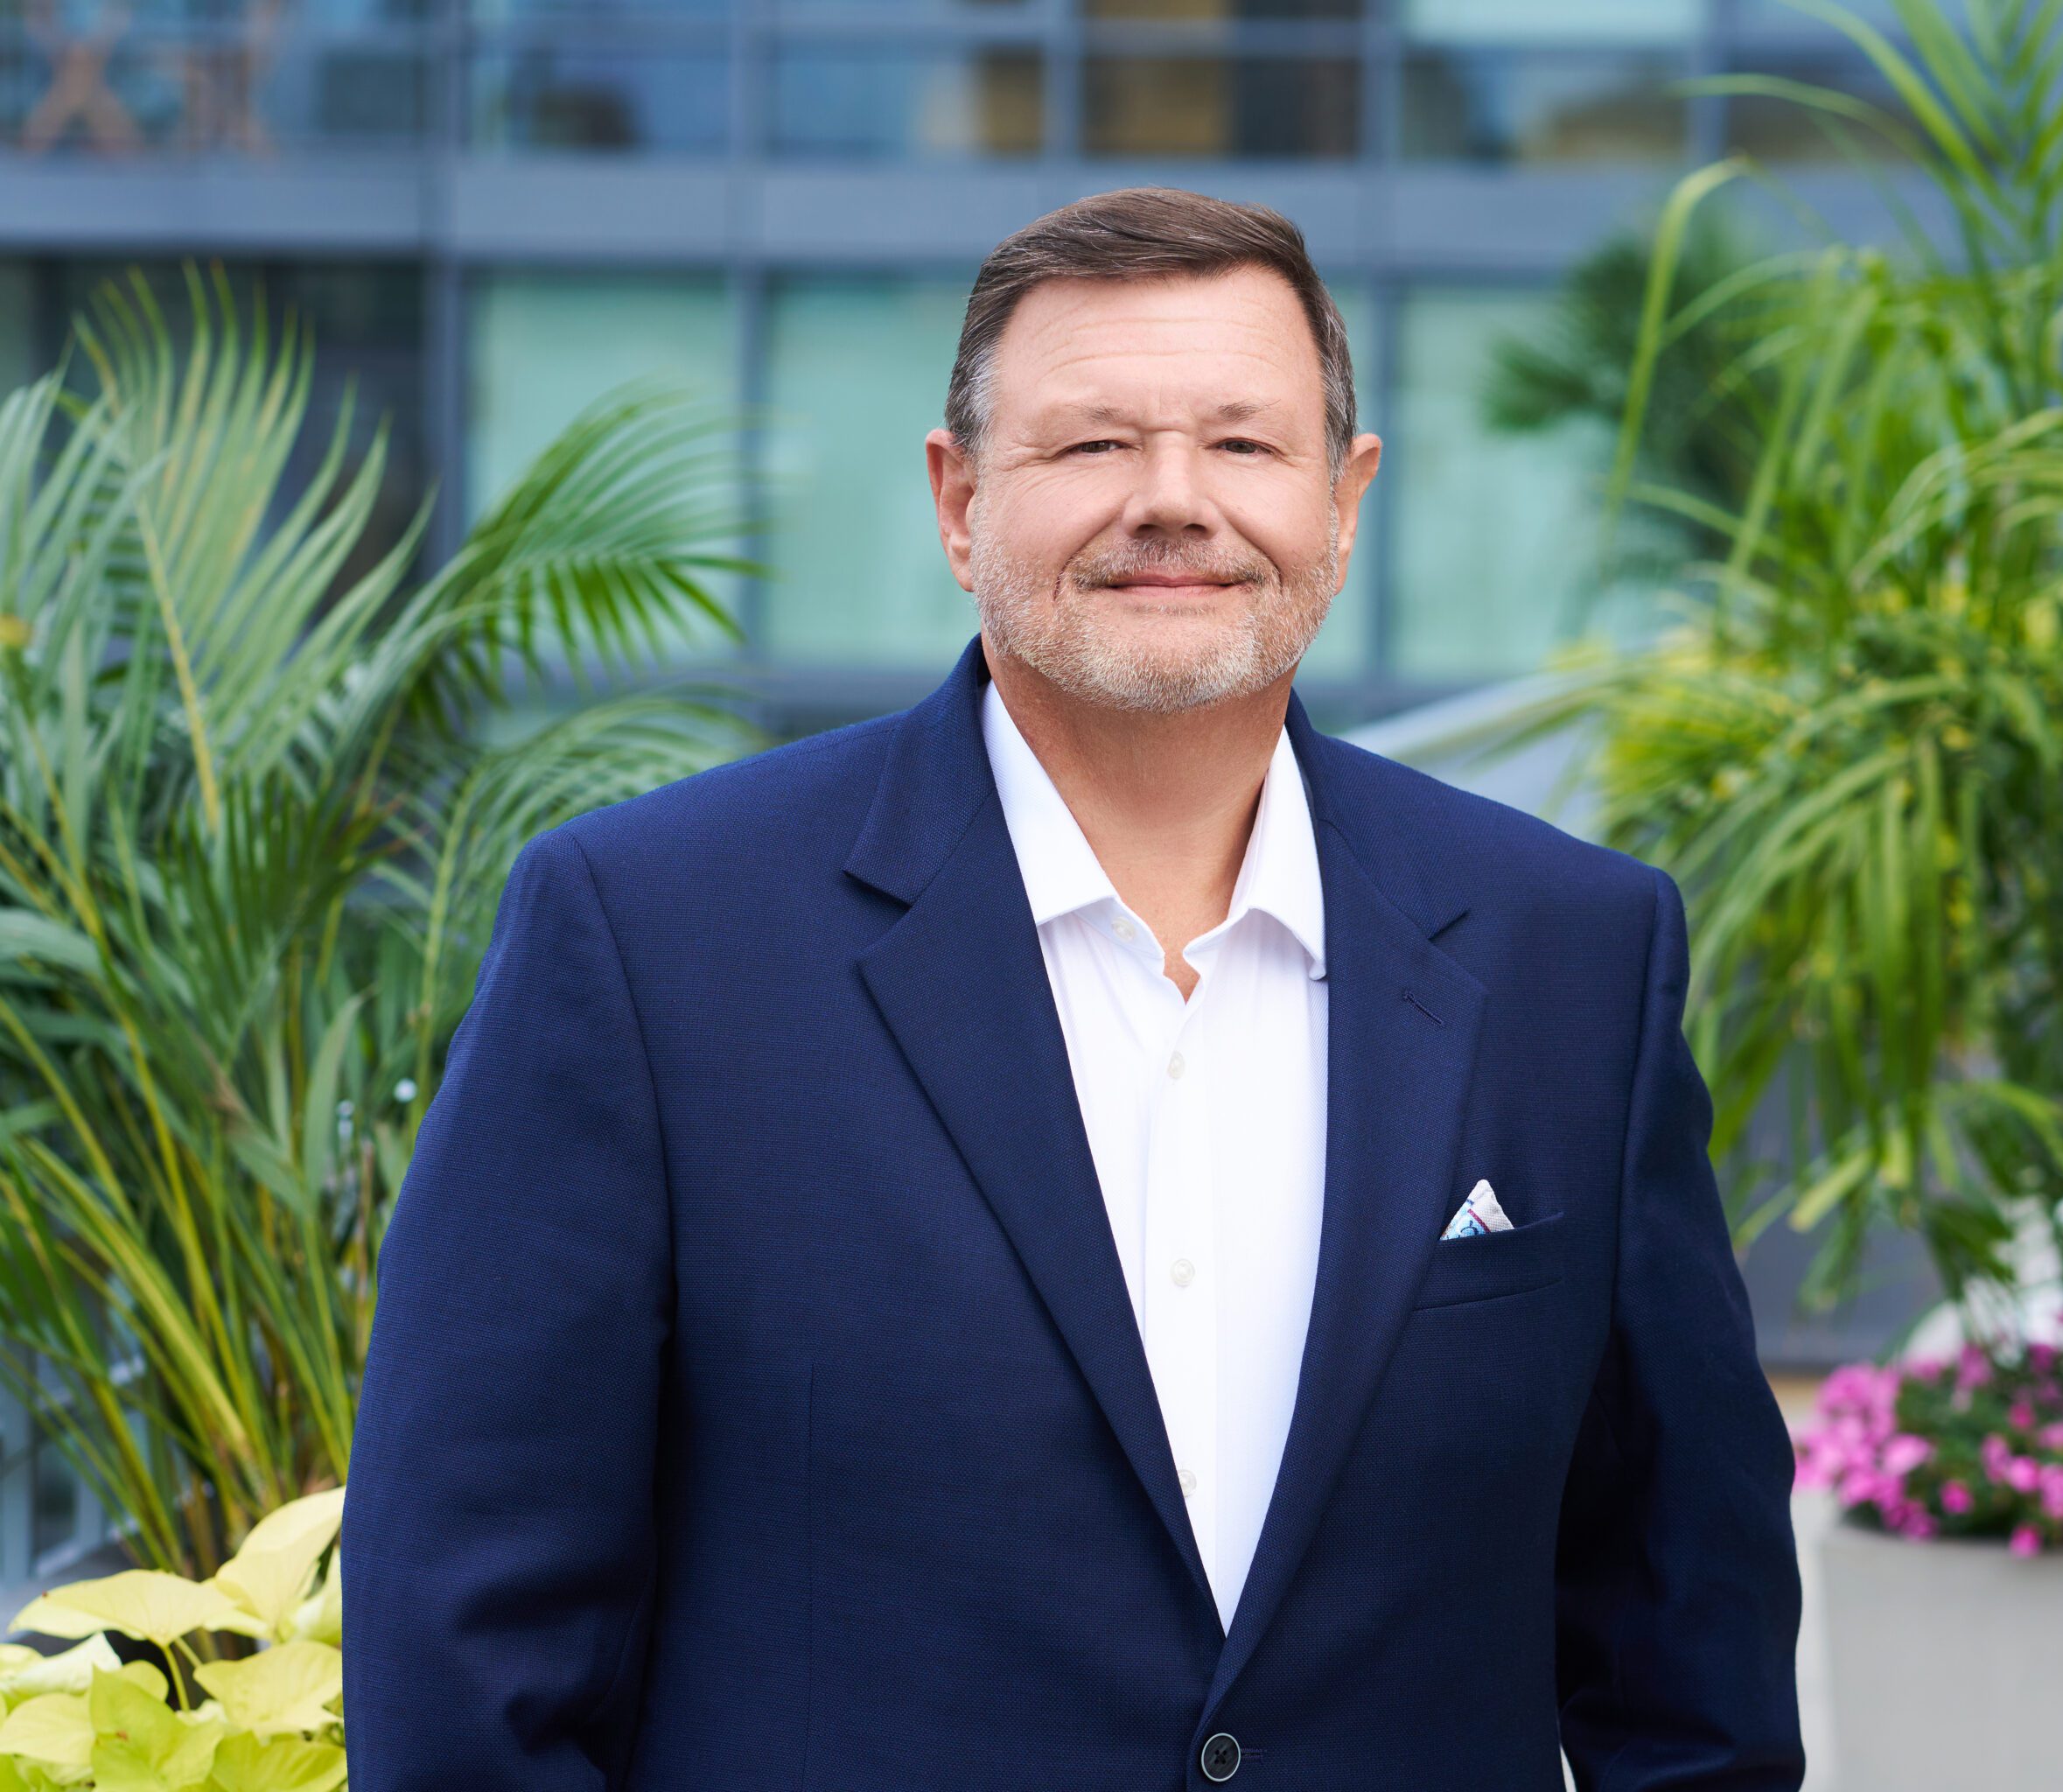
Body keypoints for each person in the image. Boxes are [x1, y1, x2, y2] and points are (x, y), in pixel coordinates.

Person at [342, 185, 1805, 1791]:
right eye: (1094, 443)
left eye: (1243, 443)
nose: (1173, 501)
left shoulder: (1571, 955)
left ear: (1344, 501)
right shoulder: (649, 940)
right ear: (959, 500)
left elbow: (1691, 1653)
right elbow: (466, 1663)